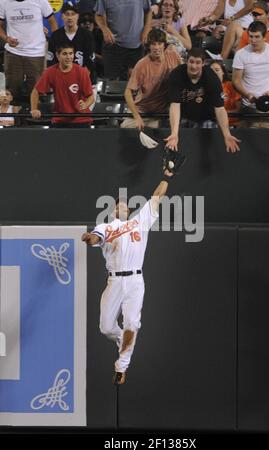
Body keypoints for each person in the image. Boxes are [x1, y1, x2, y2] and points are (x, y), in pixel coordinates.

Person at [81, 169, 174, 385]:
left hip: (135, 281)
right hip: (114, 280)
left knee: (132, 322)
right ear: (113, 210)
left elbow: (156, 197)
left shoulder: (139, 222)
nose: (121, 206)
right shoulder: (107, 226)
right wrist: (90, 238)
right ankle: (125, 341)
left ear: (129, 210)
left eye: (124, 205)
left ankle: (121, 366)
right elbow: (96, 238)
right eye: (117, 205)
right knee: (105, 327)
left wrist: (167, 177)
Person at [166, 47, 241, 153]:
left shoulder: (211, 77)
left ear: (203, 63)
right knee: (182, 149)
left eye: (198, 62)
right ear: (187, 61)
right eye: (191, 62)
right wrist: (174, 133)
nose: (194, 66)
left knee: (207, 150)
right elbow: (175, 105)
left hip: (207, 118)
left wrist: (227, 134)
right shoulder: (176, 74)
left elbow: (219, 108)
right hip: (184, 116)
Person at [232, 21, 269, 128]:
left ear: (264, 37)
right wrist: (247, 94)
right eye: (251, 36)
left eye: (257, 37)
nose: (253, 40)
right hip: (249, 107)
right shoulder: (240, 54)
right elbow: (236, 81)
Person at [121, 28, 181, 129]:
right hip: (143, 111)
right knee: (124, 127)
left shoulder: (173, 56)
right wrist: (136, 116)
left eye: (159, 43)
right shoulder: (141, 64)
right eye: (153, 44)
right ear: (148, 45)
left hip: (165, 113)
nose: (156, 47)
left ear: (164, 45)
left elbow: (184, 76)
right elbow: (127, 92)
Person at [0, 0, 58, 101]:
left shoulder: (40, 1)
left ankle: (33, 115)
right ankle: (13, 115)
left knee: (36, 89)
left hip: (36, 52)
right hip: (13, 53)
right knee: (12, 89)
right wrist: (6, 38)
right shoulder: (3, 2)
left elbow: (52, 21)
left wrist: (55, 43)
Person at [31, 44, 94, 127]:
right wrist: (34, 109)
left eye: (71, 53)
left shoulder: (82, 72)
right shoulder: (50, 72)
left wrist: (85, 104)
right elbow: (35, 92)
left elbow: (91, 96)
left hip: (81, 119)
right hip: (59, 119)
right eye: (65, 54)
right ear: (57, 55)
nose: (68, 57)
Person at [94, 0, 152, 80]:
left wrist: (147, 29)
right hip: (113, 46)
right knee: (112, 86)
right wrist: (104, 29)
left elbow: (148, 11)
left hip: (136, 46)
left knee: (135, 85)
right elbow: (98, 15)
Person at [48, 2, 96, 85]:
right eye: (67, 14)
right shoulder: (56, 35)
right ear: (62, 16)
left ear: (77, 16)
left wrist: (81, 83)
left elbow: (90, 63)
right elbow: (51, 62)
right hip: (61, 80)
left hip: (83, 80)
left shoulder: (87, 35)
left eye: (73, 14)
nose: (70, 17)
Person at [209, 60, 241, 127]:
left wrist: (221, 114)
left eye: (217, 70)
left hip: (231, 124)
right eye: (211, 71)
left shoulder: (231, 86)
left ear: (222, 72)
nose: (214, 73)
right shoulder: (205, 87)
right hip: (212, 124)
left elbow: (238, 110)